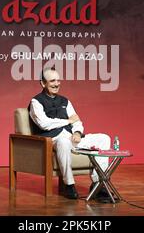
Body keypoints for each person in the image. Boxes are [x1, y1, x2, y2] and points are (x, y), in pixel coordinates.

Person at [29, 68, 111, 200]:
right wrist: (67, 120)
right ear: (43, 83)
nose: (57, 84)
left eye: (58, 80)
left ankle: (98, 184)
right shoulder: (36, 102)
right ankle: (70, 185)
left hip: (71, 137)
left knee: (104, 138)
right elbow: (44, 123)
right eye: (52, 81)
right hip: (53, 139)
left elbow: (77, 120)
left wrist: (77, 132)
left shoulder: (65, 101)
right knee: (63, 142)